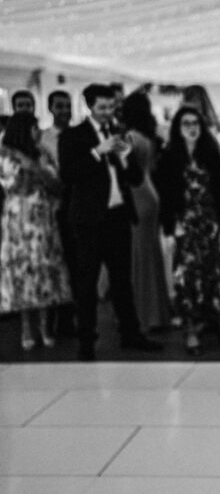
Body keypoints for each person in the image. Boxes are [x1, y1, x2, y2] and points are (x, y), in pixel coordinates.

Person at [58, 84, 162, 361]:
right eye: (101, 107)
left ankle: (131, 333)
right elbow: (68, 174)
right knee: (87, 281)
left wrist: (127, 157)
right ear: (89, 106)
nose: (107, 113)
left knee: (122, 280)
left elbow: (136, 180)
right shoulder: (73, 136)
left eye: (111, 108)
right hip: (89, 220)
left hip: (118, 215)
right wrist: (96, 151)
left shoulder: (119, 134)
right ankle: (86, 341)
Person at [155, 105, 220, 355]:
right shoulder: (169, 157)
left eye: (195, 123)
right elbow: (166, 197)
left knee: (215, 274)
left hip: (209, 223)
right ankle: (191, 330)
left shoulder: (211, 154)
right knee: (186, 276)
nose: (192, 128)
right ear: (178, 128)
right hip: (184, 225)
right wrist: (170, 229)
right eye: (186, 124)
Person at [0, 112, 71, 350]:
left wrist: (37, 168)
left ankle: (44, 326)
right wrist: (29, 170)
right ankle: (26, 328)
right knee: (22, 271)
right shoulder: (5, 155)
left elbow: (58, 184)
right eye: (33, 128)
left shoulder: (42, 153)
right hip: (18, 220)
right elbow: (11, 184)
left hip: (42, 219)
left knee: (44, 269)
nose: (37, 132)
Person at [123, 92, 171, 331]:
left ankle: (144, 315)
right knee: (151, 253)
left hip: (136, 194)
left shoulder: (131, 137)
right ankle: (156, 312)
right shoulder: (150, 136)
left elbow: (127, 169)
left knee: (139, 256)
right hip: (151, 194)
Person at [41, 90, 77, 336]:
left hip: (77, 203)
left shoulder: (79, 136)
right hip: (54, 205)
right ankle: (52, 320)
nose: (64, 110)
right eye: (59, 106)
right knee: (55, 263)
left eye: (67, 105)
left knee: (76, 264)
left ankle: (70, 318)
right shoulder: (43, 139)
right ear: (51, 109)